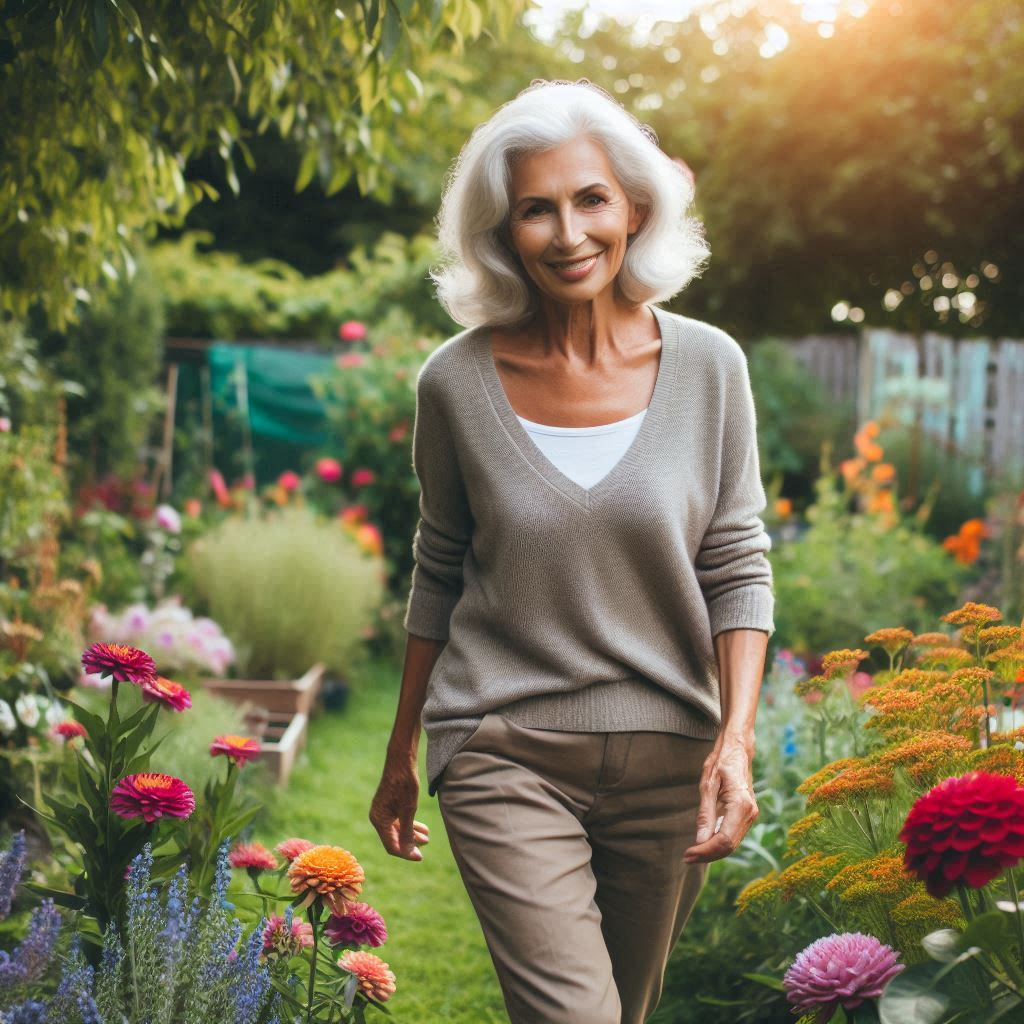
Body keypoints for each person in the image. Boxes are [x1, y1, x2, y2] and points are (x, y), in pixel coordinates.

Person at [369, 78, 775, 1024]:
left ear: (634, 207)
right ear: (502, 234)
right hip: (503, 745)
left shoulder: (712, 367)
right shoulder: (456, 384)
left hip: (671, 757)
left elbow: (737, 564)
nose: (568, 233)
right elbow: (439, 565)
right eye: (534, 211)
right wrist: (400, 751)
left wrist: (736, 746)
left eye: (590, 199)